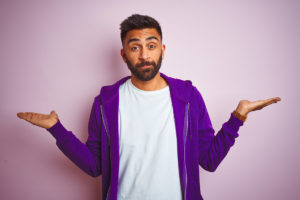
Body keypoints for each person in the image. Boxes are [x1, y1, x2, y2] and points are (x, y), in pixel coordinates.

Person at [17, 14, 281, 200]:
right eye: (135, 47)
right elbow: (95, 166)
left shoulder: (188, 98)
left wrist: (238, 117)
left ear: (162, 50)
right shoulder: (105, 103)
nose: (144, 55)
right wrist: (57, 129)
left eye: (151, 46)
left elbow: (209, 161)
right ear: (124, 54)